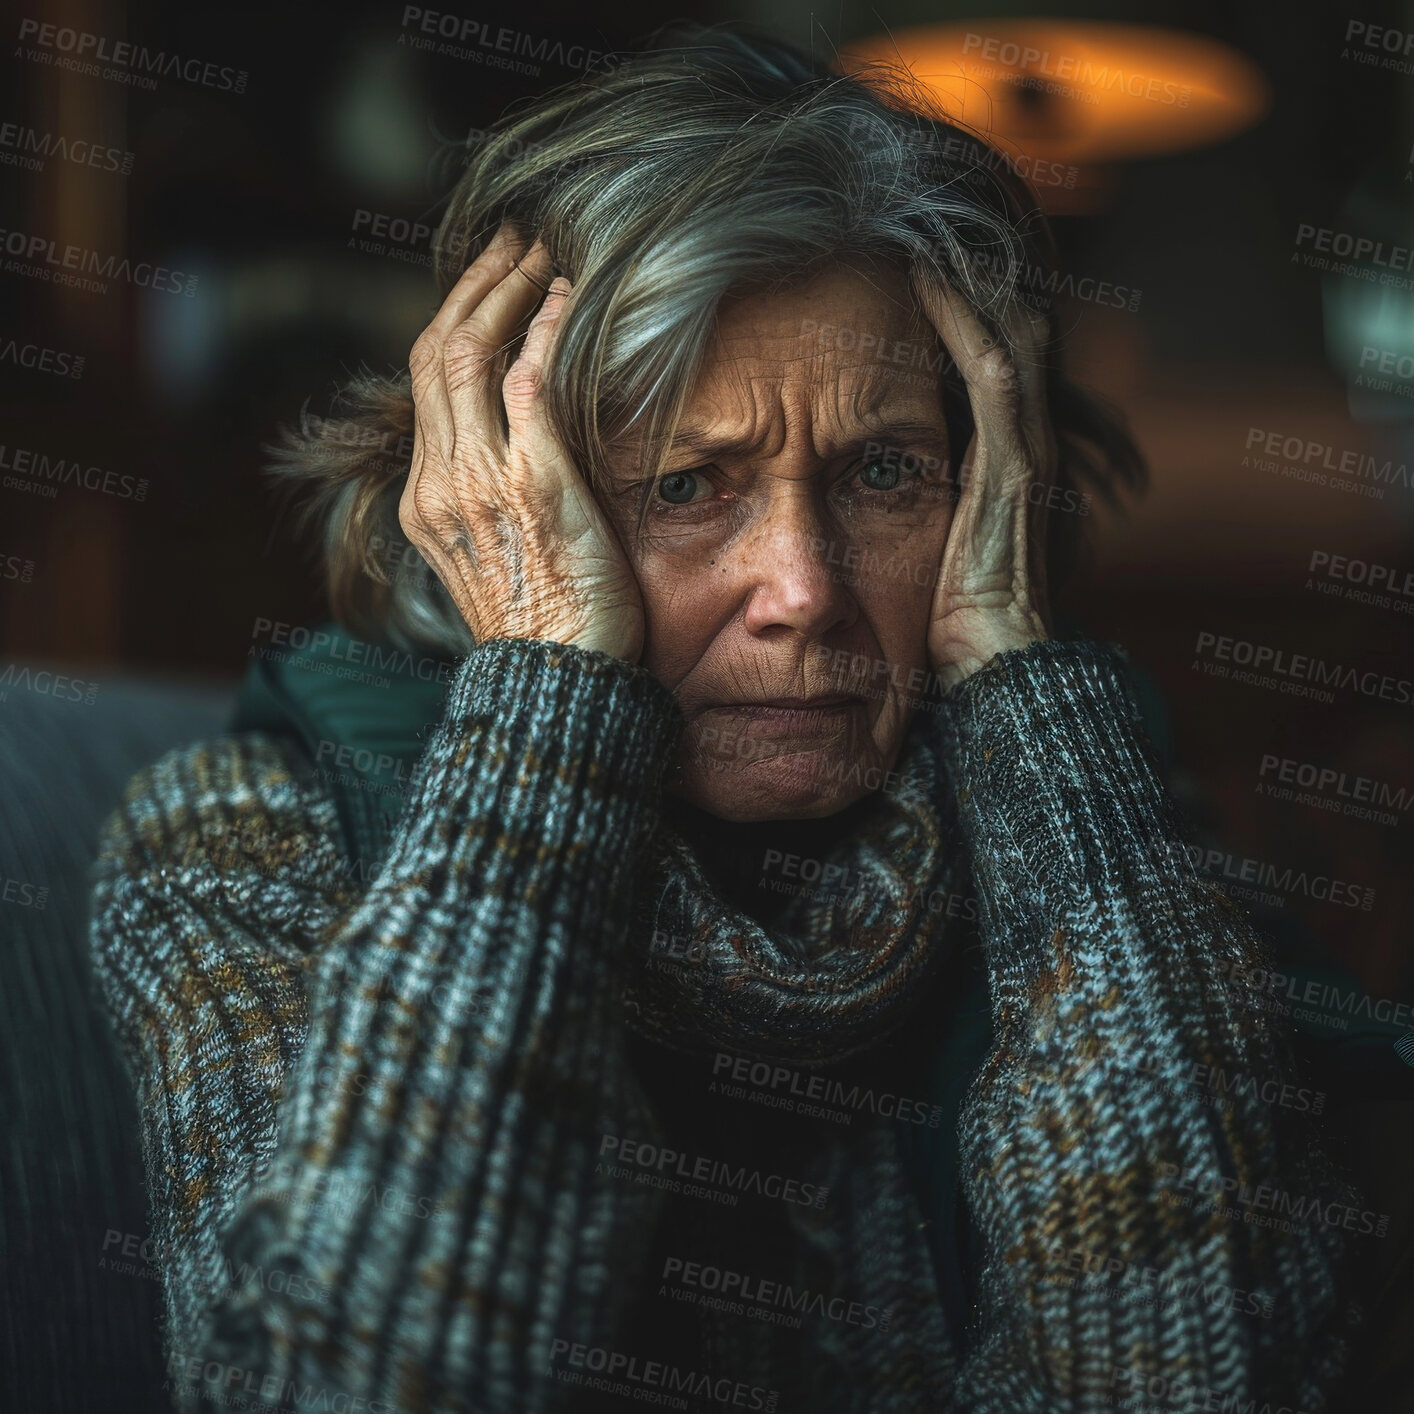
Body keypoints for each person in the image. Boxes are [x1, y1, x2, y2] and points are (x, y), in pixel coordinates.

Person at [89, 24, 1368, 1414]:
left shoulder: (1103, 830)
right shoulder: (249, 839)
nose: (805, 591)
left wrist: (1020, 685)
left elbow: (1201, 1371)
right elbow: (360, 1382)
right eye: (688, 486)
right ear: (490, 508)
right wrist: (545, 713)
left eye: (884, 470)